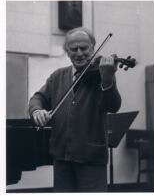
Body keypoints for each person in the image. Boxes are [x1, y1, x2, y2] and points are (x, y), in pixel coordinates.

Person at [29, 27, 121, 192]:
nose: (79, 53)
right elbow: (38, 98)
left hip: (91, 158)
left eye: (84, 48)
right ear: (67, 51)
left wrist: (107, 80)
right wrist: (37, 110)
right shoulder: (58, 76)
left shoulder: (102, 74)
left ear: (93, 48)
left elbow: (112, 106)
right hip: (61, 156)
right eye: (73, 49)